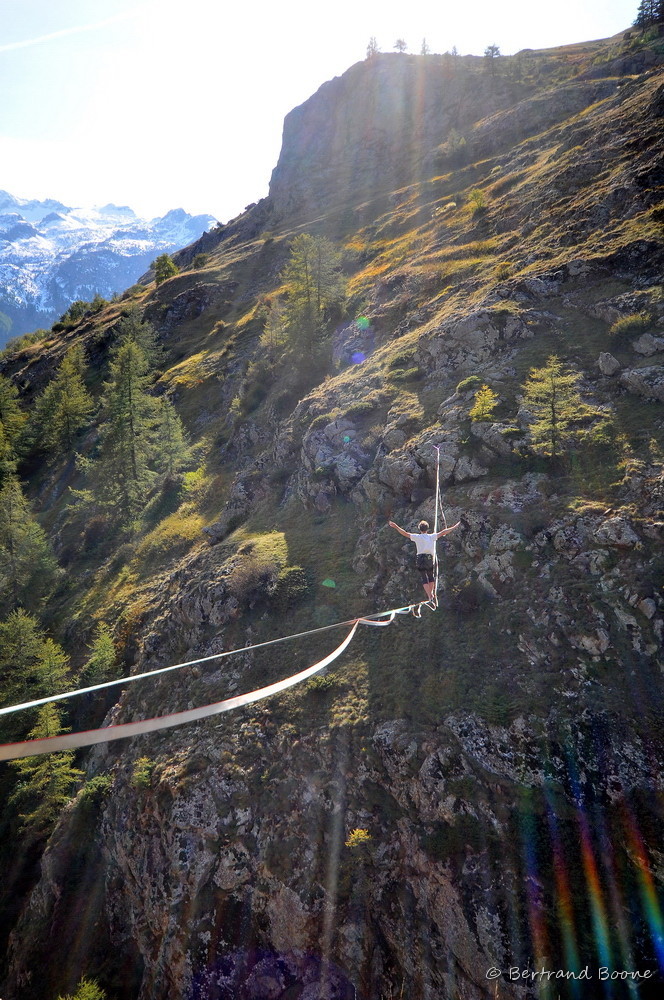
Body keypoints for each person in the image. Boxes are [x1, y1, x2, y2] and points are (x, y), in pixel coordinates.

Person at [388, 517, 460, 610]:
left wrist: (396, 526)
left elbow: (404, 533)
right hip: (429, 558)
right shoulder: (431, 536)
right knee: (430, 576)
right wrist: (455, 526)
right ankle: (432, 594)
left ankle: (429, 596)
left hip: (420, 558)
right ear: (427, 528)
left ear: (419, 529)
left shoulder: (417, 537)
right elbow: (443, 532)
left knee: (424, 577)